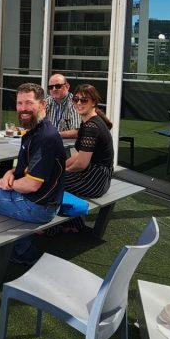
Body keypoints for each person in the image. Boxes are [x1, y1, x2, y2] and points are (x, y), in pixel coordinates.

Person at [0, 82, 67, 266]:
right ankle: (23, 250)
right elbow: (28, 167)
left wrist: (6, 184)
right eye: (19, 103)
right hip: (44, 201)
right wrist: (10, 172)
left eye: (29, 103)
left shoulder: (44, 137)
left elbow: (31, 185)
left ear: (43, 104)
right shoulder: (35, 131)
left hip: (39, 207)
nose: (23, 108)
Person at [59, 85, 114, 234]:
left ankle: (55, 224)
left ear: (94, 102)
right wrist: (59, 167)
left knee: (50, 182)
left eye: (84, 100)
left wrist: (59, 173)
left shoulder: (91, 126)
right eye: (76, 99)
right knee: (54, 176)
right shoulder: (89, 121)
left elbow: (81, 164)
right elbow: (79, 155)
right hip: (101, 177)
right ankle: (74, 224)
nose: (78, 103)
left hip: (94, 180)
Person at [45, 73, 80, 138]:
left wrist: (54, 135)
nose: (54, 89)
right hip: (48, 141)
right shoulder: (46, 102)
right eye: (50, 87)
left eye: (58, 86)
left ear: (67, 87)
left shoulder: (75, 103)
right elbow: (36, 123)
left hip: (67, 144)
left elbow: (77, 132)